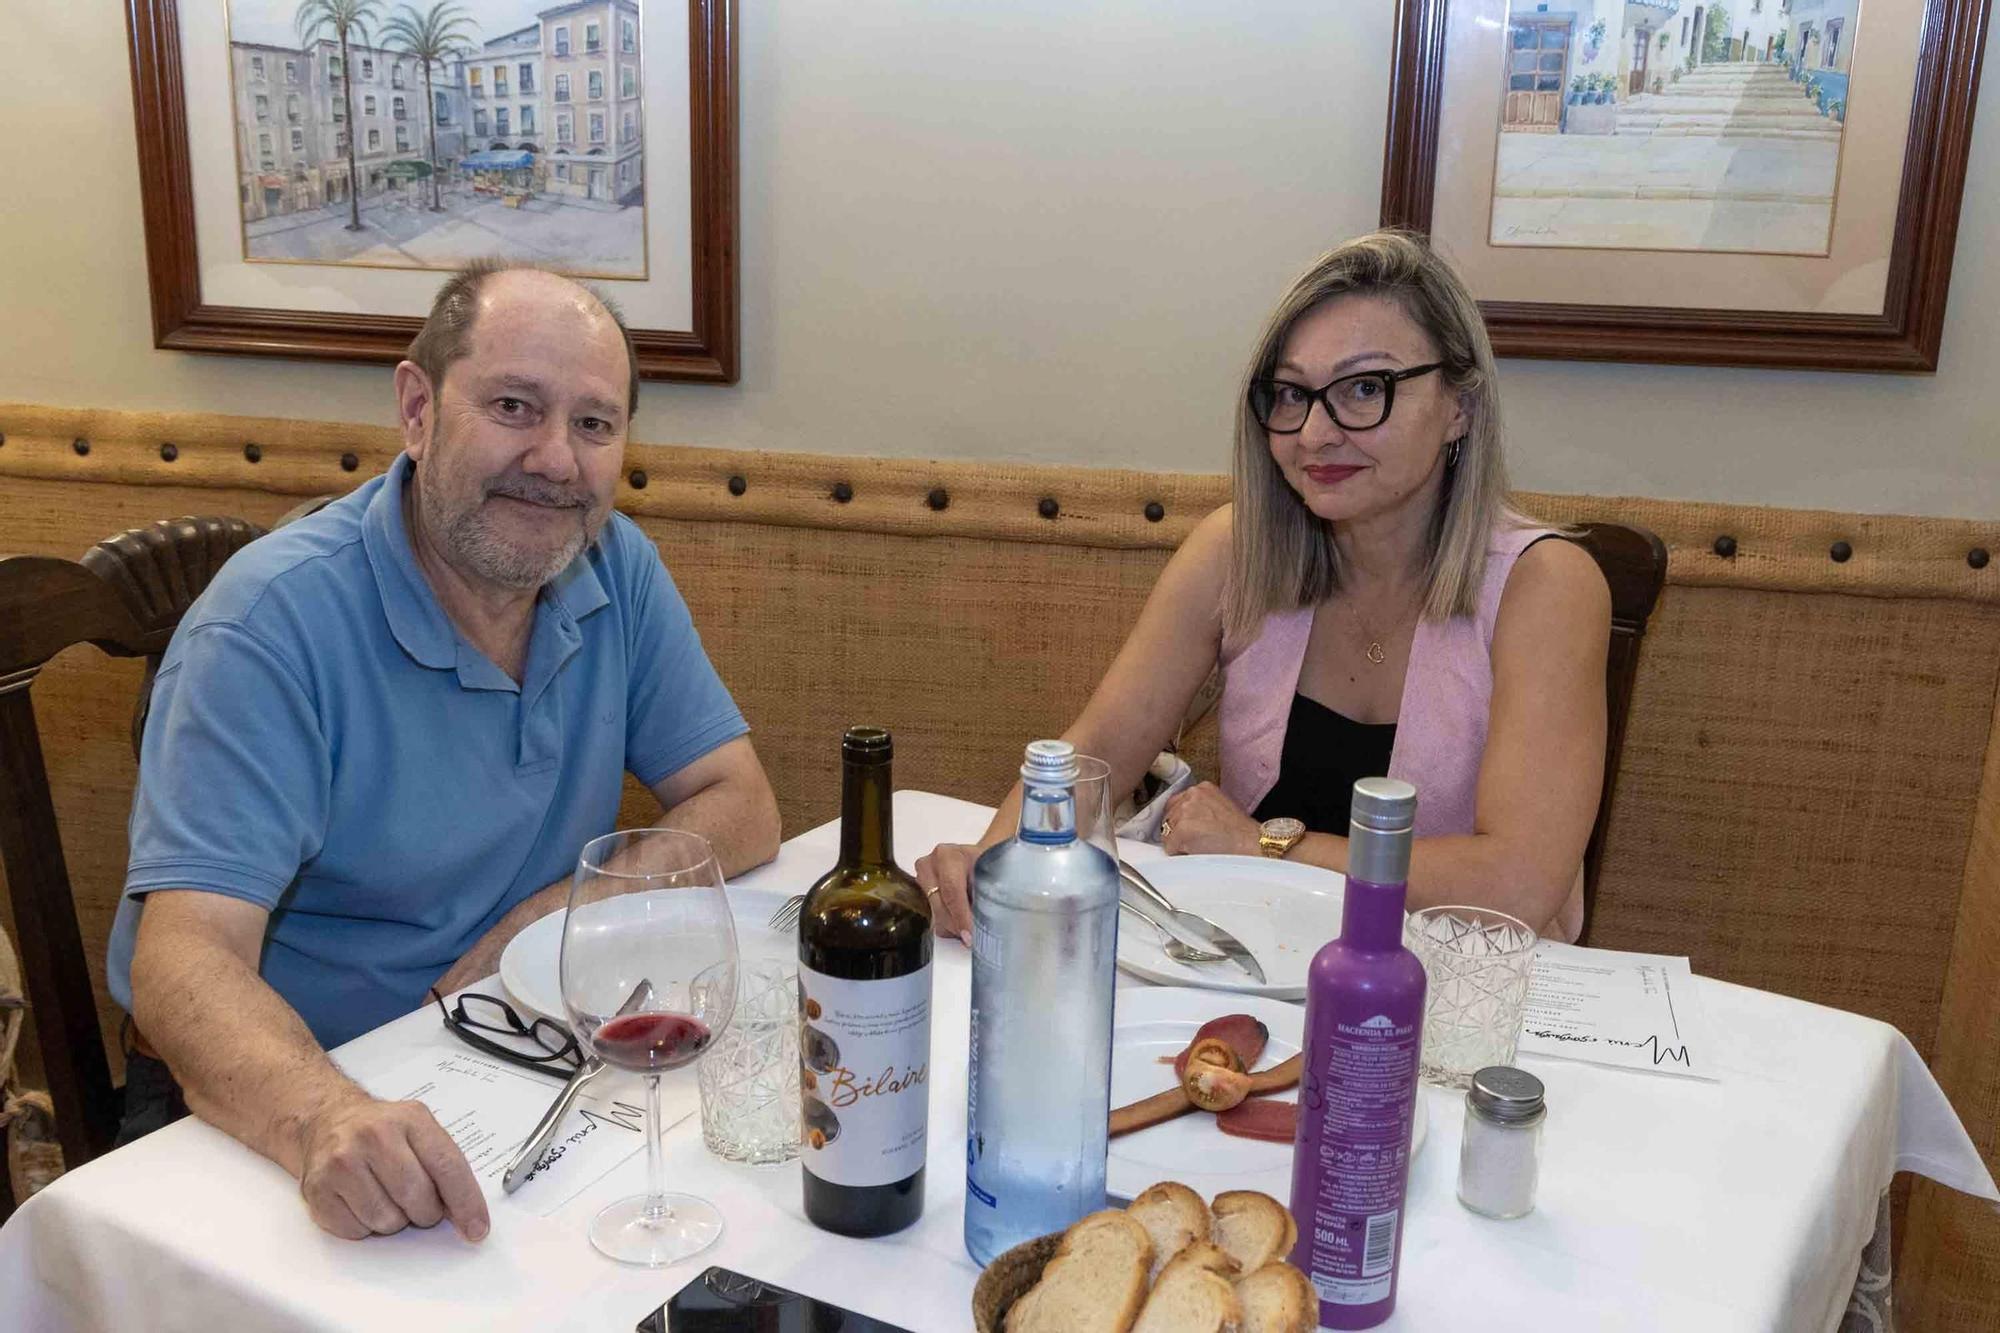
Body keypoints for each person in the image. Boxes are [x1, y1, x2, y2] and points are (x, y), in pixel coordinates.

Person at [107, 261, 781, 1244]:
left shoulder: (615, 565)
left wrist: (544, 922)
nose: (557, 459)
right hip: (304, 1102)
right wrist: (324, 1114)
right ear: (416, 410)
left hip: (523, 1057)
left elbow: (739, 801)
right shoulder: (266, 625)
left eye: (594, 424)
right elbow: (183, 959)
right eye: (515, 406)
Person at [918, 231, 1609, 946]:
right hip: (1251, 966)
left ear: (1459, 405)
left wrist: (1267, 845)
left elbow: (1518, 882)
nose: (1313, 433)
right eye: (1290, 394)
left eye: (1365, 388)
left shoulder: (1548, 585)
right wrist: (994, 859)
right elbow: (1098, 747)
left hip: (1462, 991)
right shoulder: (1235, 548)